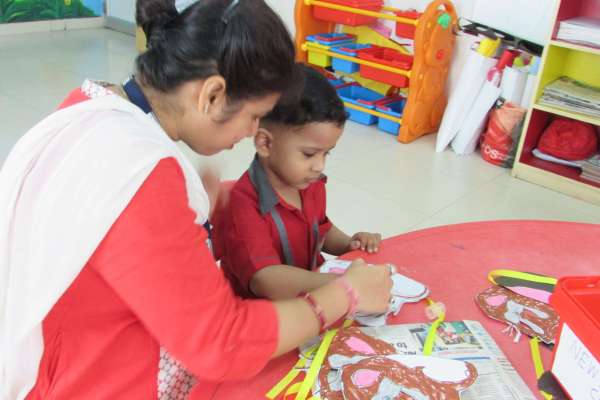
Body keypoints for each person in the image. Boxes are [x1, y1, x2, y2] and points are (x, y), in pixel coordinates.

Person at [0, 1, 393, 399]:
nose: (252, 131)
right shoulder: (140, 171)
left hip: (64, 354)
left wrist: (186, 212)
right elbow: (221, 342)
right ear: (212, 95)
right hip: (95, 380)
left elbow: (101, 234)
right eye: (254, 115)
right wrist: (344, 294)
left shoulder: (90, 107)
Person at [212, 65, 383, 300]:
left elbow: (321, 230)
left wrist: (349, 244)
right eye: (309, 154)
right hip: (267, 317)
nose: (319, 165)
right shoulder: (243, 205)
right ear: (265, 144)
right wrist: (341, 283)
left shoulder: (311, 183)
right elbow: (266, 279)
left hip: (310, 299)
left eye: (326, 153)